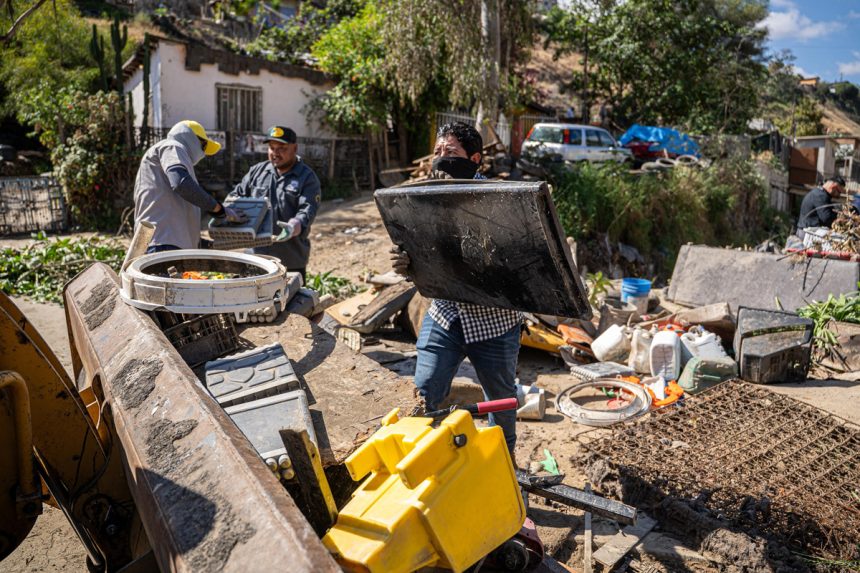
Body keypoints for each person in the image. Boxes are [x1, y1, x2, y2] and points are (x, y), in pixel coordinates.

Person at [390, 121, 522, 458]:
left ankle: (503, 474)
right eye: (437, 152)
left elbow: (515, 263)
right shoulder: (421, 199)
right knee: (424, 393)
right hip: (445, 317)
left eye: (450, 153)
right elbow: (421, 255)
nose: (440, 159)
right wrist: (407, 265)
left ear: (475, 158)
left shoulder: (498, 202)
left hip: (494, 323)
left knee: (500, 406)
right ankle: (427, 465)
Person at [133, 120, 246, 253]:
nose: (203, 153)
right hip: (161, 244)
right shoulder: (172, 146)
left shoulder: (173, 163)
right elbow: (181, 184)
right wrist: (218, 209)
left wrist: (208, 244)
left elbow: (176, 218)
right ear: (190, 137)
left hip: (162, 243)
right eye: (203, 146)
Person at [228, 126, 321, 282]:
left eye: (282, 148)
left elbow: (306, 212)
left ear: (295, 148)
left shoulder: (307, 178)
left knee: (289, 304)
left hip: (289, 260)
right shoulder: (257, 172)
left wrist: (293, 226)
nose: (275, 153)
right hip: (255, 258)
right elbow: (235, 196)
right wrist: (231, 210)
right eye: (271, 148)